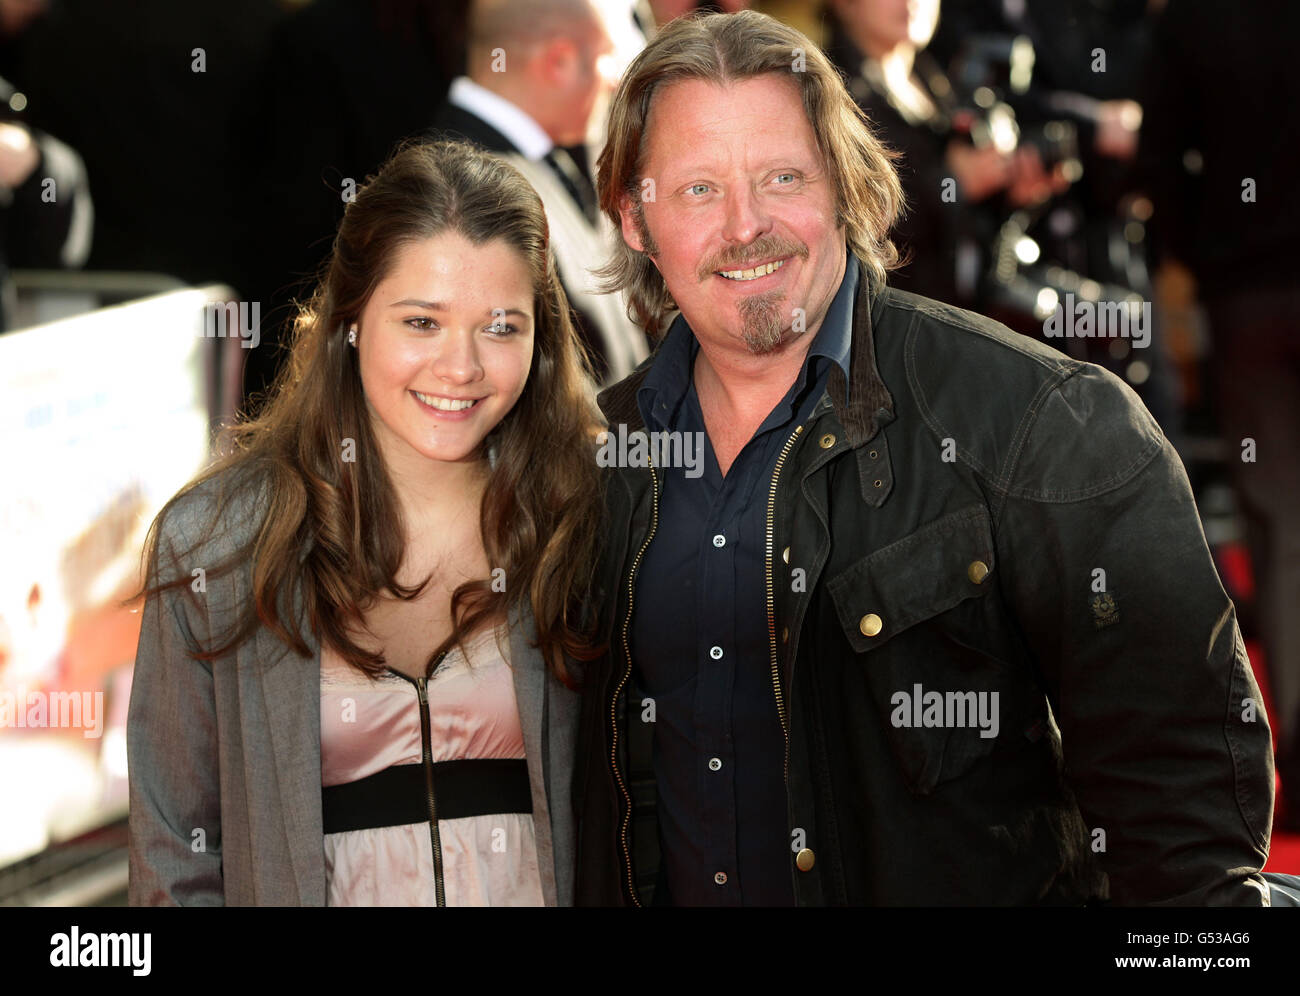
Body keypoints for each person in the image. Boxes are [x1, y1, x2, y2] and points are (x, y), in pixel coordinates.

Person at [575, 10, 1285, 905]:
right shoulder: (590, 460)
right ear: (635, 221)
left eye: (782, 177)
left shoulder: (1041, 423)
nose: (746, 225)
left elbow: (1181, 842)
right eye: (698, 191)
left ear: (845, 185)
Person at [127, 139, 603, 906]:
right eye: (422, 321)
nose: (462, 366)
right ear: (350, 321)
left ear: (540, 339)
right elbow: (175, 854)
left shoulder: (589, 519)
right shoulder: (216, 543)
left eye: (502, 327)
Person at [427, 0, 650, 387]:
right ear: (559, 61)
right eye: (607, 56)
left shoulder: (543, 159)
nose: (615, 80)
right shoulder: (469, 189)